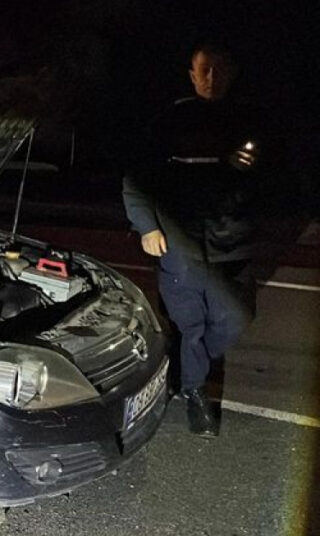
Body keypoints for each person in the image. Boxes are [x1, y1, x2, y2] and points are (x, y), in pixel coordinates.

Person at [123, 44, 264, 437]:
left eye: (219, 69)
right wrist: (146, 225)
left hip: (232, 242)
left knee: (236, 317)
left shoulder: (248, 119)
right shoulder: (171, 119)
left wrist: (248, 169)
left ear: (232, 73)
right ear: (191, 75)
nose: (211, 78)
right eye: (204, 70)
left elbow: (274, 181)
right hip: (180, 241)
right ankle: (195, 393)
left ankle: (182, 367)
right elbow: (136, 177)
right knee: (192, 324)